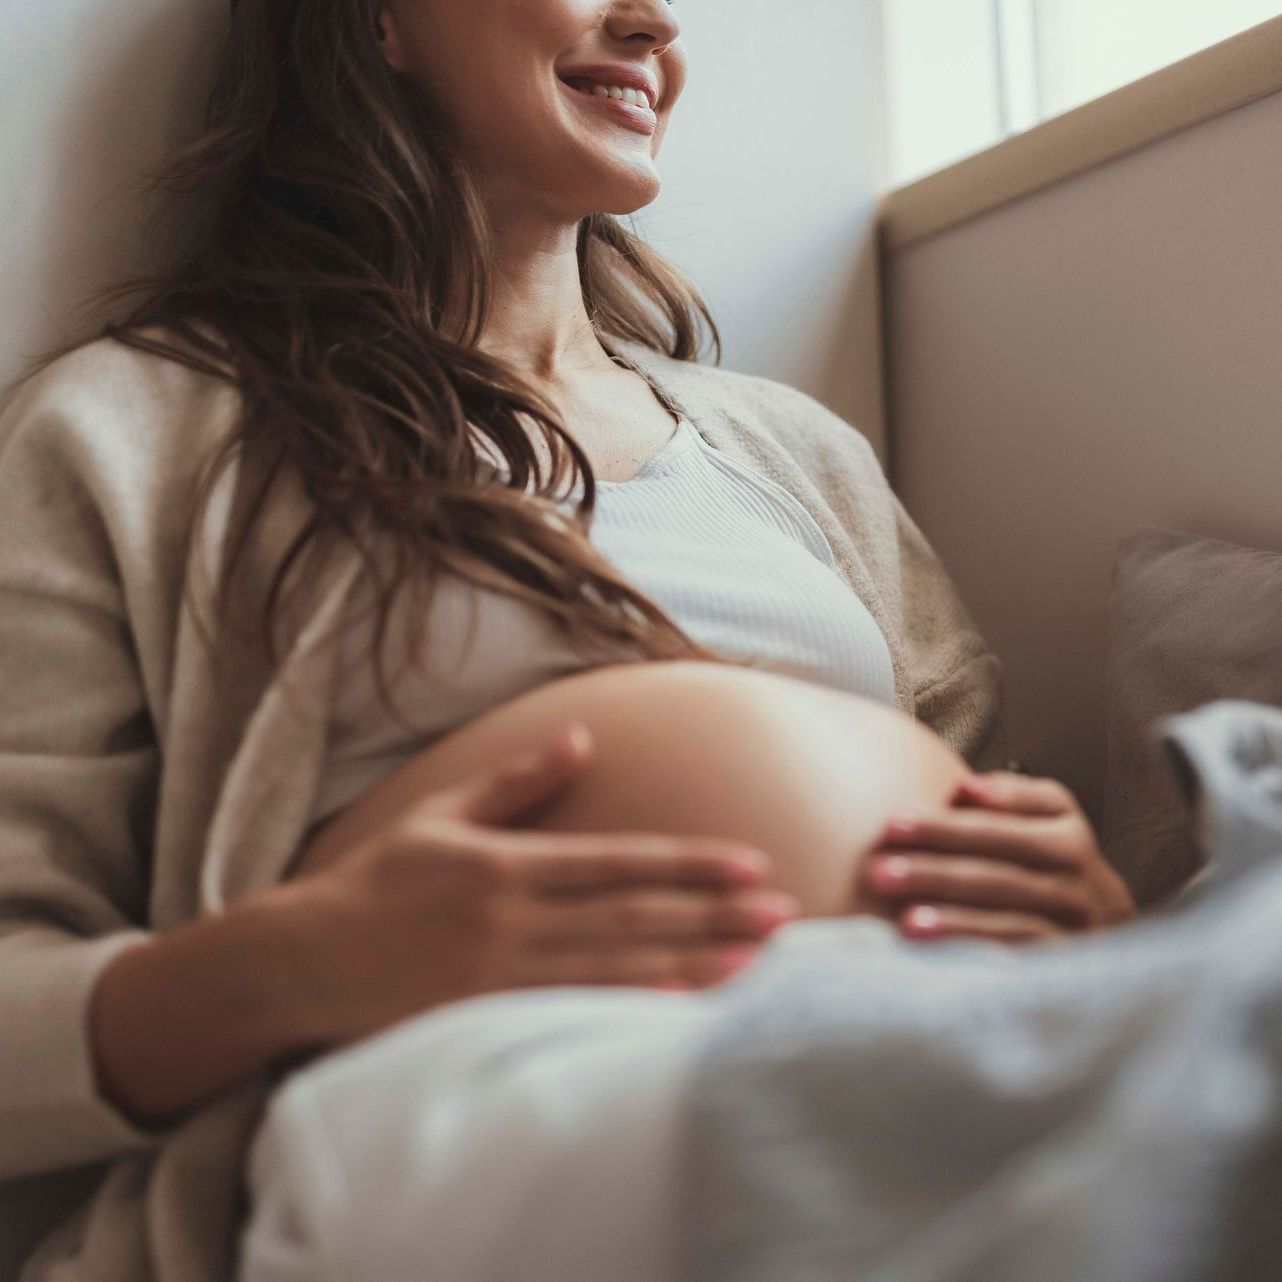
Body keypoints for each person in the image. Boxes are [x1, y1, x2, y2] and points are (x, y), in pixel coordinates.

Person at [0, 2, 1135, 1280]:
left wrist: (1082, 908)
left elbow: (990, 791)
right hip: (498, 1105)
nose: (654, 21)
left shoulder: (796, 452)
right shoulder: (126, 431)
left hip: (918, 1032)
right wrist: (292, 966)